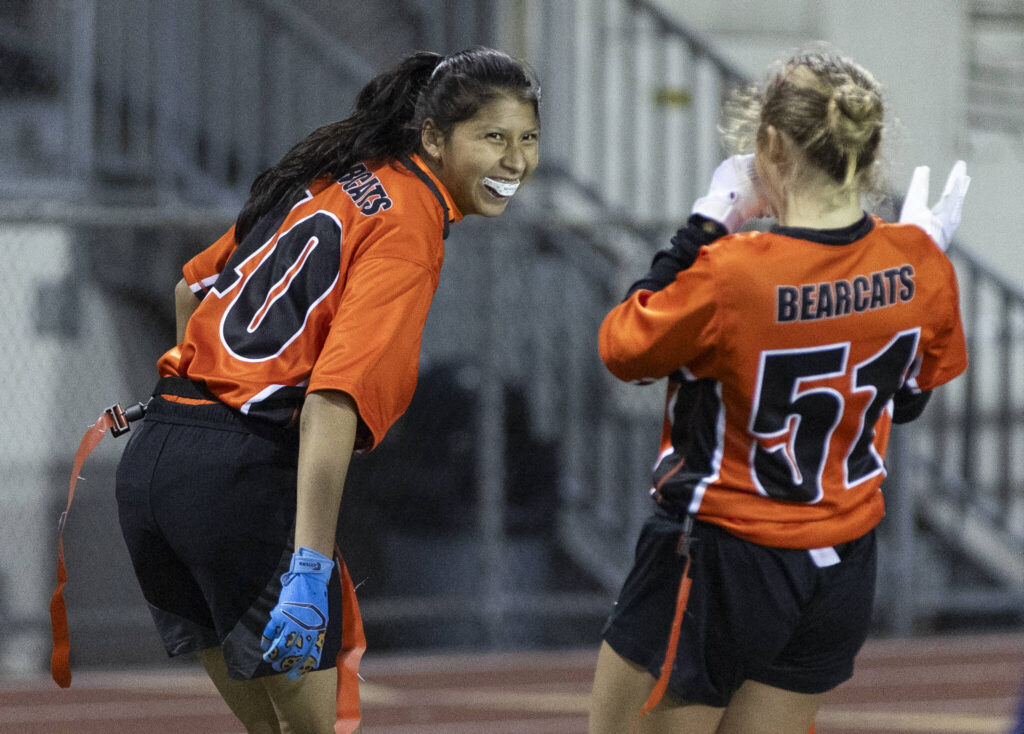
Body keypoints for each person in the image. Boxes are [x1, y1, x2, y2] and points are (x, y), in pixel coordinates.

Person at [114, 46, 540, 734]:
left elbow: (190, 290)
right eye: (492, 138)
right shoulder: (409, 222)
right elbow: (333, 399)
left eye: (528, 139)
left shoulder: (339, 175)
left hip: (155, 463)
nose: (515, 161)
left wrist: (194, 412)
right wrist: (308, 567)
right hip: (238, 481)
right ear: (433, 136)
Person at [588, 47, 969, 734]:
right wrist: (918, 260)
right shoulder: (921, 262)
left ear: (769, 143)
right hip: (843, 561)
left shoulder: (733, 272)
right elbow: (907, 400)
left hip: (723, 552)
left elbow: (623, 346)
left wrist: (705, 225)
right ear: (870, 148)